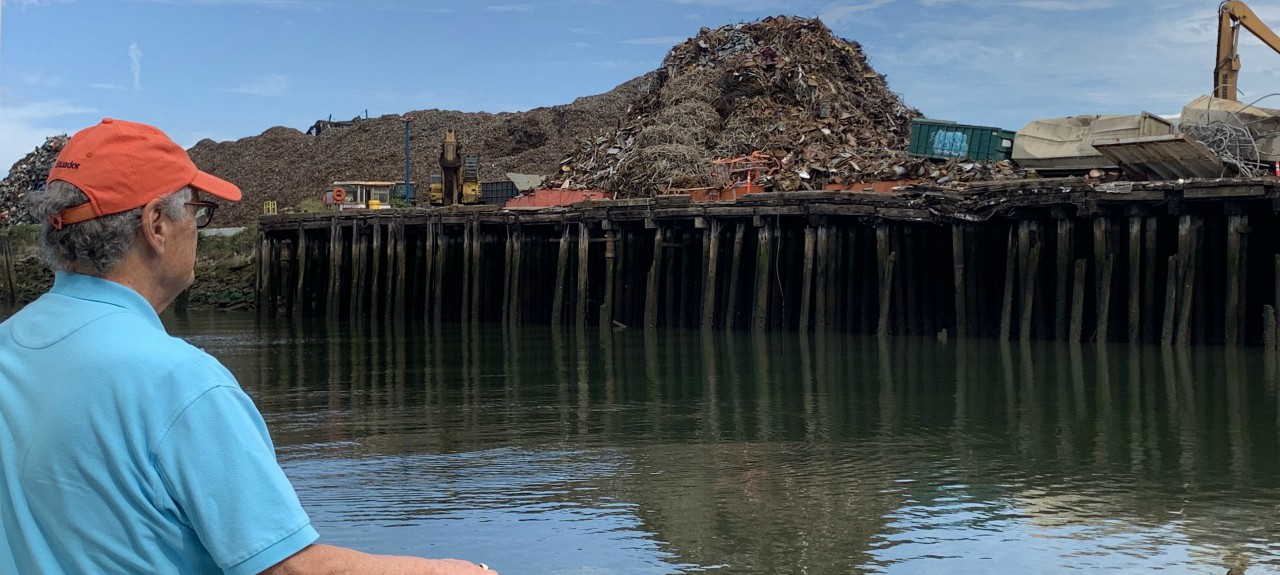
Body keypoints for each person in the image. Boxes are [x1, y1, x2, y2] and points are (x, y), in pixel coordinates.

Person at [0, 118, 496, 575]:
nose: (197, 227)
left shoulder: (8, 348)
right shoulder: (179, 381)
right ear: (156, 225)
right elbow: (286, 567)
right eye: (197, 210)